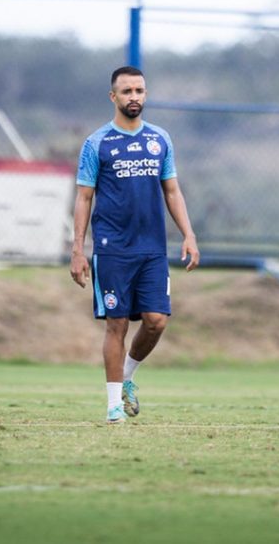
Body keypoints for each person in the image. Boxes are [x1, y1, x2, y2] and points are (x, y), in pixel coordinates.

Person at [70, 66, 200, 424]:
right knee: (116, 324)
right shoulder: (97, 143)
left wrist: (188, 234)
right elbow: (84, 198)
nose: (134, 97)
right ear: (114, 97)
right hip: (113, 248)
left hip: (152, 249)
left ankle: (127, 376)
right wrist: (78, 250)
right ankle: (113, 405)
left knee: (157, 320)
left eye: (139, 91)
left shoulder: (160, 139)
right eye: (126, 91)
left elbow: (171, 190)